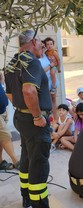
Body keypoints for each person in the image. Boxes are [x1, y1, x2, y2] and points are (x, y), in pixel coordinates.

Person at [4, 30, 52, 208]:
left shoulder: (12, 62)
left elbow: (9, 94)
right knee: (38, 165)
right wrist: (37, 116)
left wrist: (24, 109)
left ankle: (27, 199)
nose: (43, 46)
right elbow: (29, 90)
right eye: (40, 42)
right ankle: (39, 204)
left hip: (21, 118)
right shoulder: (31, 61)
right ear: (33, 41)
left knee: (26, 158)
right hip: (34, 122)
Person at [0, 85, 19, 170]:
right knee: (6, 136)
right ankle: (16, 161)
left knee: (1, 137)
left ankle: (0, 162)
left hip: (3, 109)